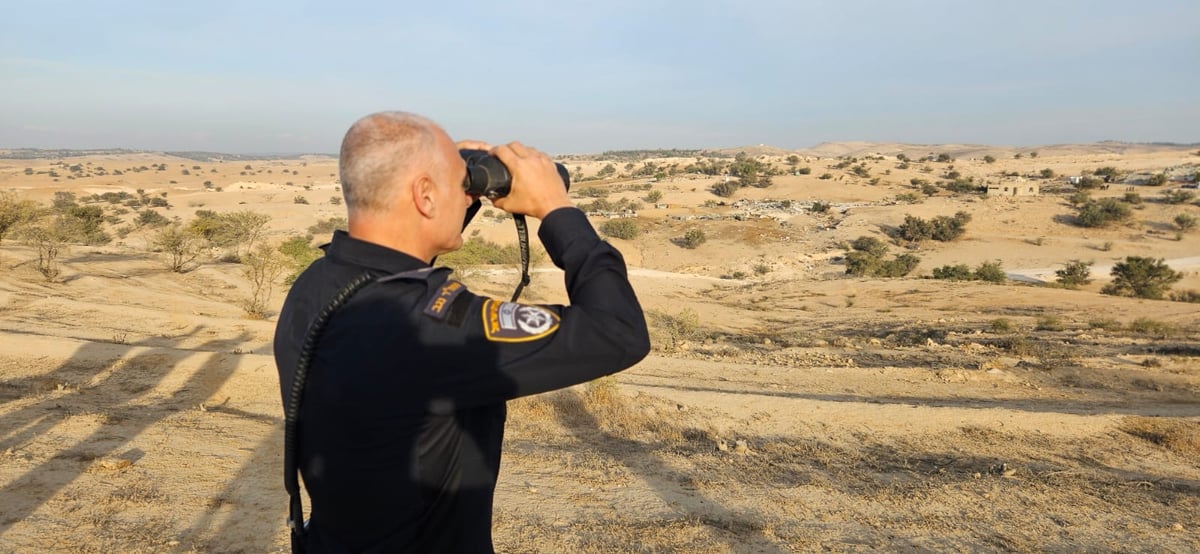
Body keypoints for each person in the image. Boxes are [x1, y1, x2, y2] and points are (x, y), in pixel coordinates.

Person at [273, 111, 651, 553]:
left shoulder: (318, 283)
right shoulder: (431, 327)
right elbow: (618, 330)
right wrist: (557, 209)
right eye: (462, 183)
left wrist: (453, 187)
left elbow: (401, 261)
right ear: (425, 195)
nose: (469, 190)